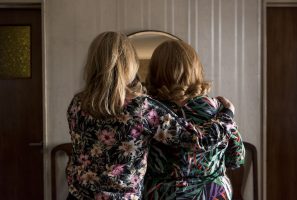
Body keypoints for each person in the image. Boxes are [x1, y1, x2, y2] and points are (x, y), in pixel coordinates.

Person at [65, 32, 236, 200]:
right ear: (129, 65)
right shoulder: (142, 108)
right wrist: (227, 115)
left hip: (77, 195)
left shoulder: (77, 104)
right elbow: (198, 141)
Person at [144, 40, 245, 199]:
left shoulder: (148, 110)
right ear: (195, 69)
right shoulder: (219, 108)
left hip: (163, 193)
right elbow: (236, 158)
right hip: (212, 193)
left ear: (155, 72)